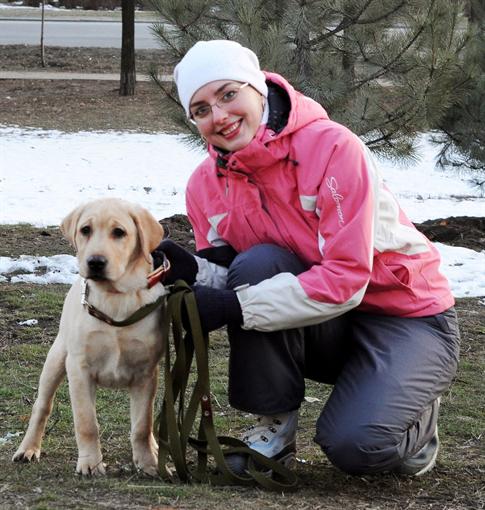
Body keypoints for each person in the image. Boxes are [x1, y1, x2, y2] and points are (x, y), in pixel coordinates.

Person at [153, 39, 460, 477]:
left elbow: (347, 278)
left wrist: (235, 305)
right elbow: (233, 272)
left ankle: (415, 415)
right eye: (200, 109)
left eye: (228, 94)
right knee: (259, 264)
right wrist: (191, 272)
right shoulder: (204, 184)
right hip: (326, 326)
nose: (218, 115)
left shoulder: (334, 148)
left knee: (358, 446)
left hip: (407, 317)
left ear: (258, 87)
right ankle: (273, 433)